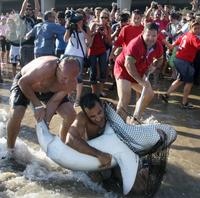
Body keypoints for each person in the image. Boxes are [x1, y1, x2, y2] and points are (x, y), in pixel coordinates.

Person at [6, 56, 80, 155]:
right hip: (25, 84)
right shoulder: (46, 67)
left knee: (70, 114)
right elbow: (23, 82)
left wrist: (45, 122)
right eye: (64, 77)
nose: (66, 82)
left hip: (49, 92)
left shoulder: (71, 83)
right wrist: (37, 105)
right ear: (58, 68)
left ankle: (61, 143)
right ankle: (10, 150)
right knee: (17, 113)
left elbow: (54, 101)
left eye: (71, 79)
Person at [114, 22, 163, 123]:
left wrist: (154, 65)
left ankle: (136, 118)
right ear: (143, 33)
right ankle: (118, 124)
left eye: (154, 35)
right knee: (125, 98)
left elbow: (160, 59)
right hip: (124, 69)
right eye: (148, 35)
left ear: (157, 35)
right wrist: (140, 81)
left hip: (139, 71)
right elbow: (128, 65)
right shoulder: (135, 44)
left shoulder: (158, 45)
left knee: (149, 94)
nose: (151, 38)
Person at [66, 93, 112, 168]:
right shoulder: (82, 117)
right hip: (93, 150)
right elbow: (70, 139)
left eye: (99, 112)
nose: (98, 118)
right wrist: (98, 154)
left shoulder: (110, 108)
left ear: (102, 104)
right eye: (92, 116)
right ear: (85, 114)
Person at [161, 20, 200, 108]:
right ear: (190, 28)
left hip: (178, 60)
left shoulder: (185, 36)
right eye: (195, 28)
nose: (198, 30)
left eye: (199, 28)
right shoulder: (194, 38)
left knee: (180, 80)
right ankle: (184, 103)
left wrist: (165, 42)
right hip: (185, 62)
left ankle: (166, 95)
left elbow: (172, 45)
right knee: (189, 83)